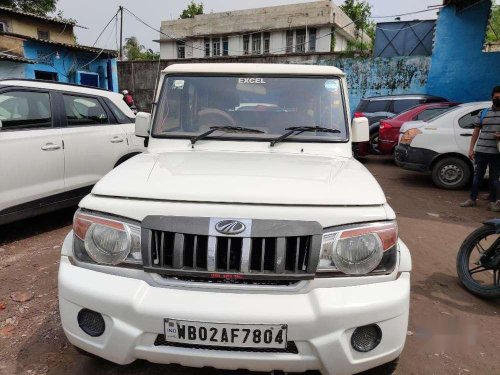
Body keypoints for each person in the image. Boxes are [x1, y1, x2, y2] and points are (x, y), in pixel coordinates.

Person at [461, 86, 500, 211]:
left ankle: (493, 201)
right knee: (478, 176)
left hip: (497, 153)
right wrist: (471, 149)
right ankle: (472, 199)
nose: (498, 100)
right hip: (481, 151)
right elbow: (475, 132)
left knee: (494, 179)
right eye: (496, 98)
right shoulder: (483, 113)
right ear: (492, 98)